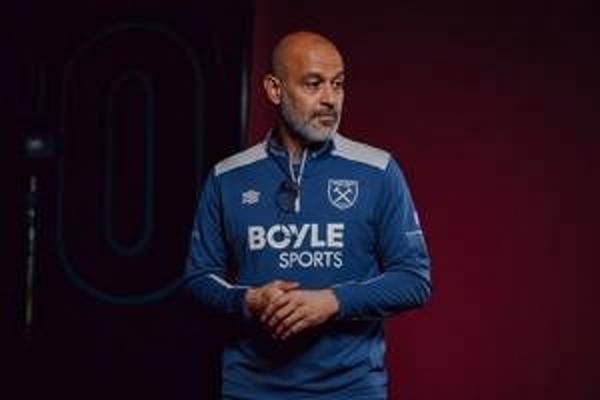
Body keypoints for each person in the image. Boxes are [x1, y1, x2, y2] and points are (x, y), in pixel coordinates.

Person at [184, 31, 432, 400]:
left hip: (351, 390)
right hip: (251, 389)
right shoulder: (227, 177)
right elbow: (199, 279)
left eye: (338, 84)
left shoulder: (379, 170)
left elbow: (413, 280)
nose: (330, 98)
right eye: (314, 84)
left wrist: (333, 301)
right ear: (274, 89)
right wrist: (248, 300)